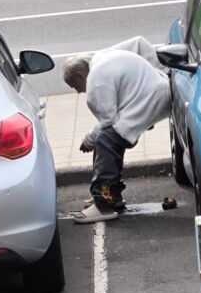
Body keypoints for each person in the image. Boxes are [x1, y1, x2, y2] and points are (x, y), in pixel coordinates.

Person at [62, 37, 171, 223]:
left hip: (149, 99)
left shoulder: (96, 78)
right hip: (155, 90)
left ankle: (104, 204)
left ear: (80, 75)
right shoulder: (102, 56)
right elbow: (139, 42)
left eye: (74, 86)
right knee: (109, 139)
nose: (78, 92)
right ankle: (112, 195)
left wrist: (89, 140)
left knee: (106, 140)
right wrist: (162, 70)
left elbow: (107, 121)